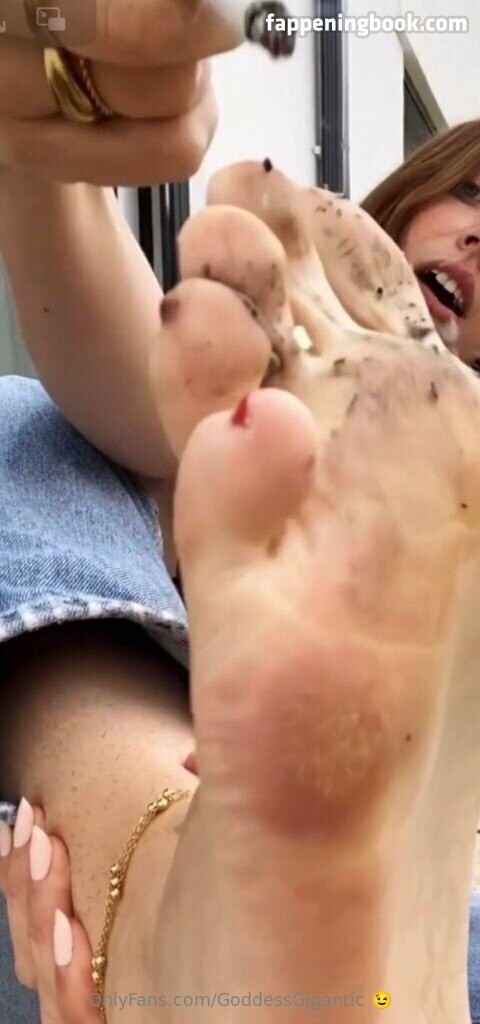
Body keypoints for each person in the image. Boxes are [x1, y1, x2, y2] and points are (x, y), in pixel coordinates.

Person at [0, 12, 479, 1018]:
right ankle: (180, 905)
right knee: (26, 430)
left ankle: (167, 917)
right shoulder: (246, 383)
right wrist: (45, 146)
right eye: (475, 194)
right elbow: (130, 383)